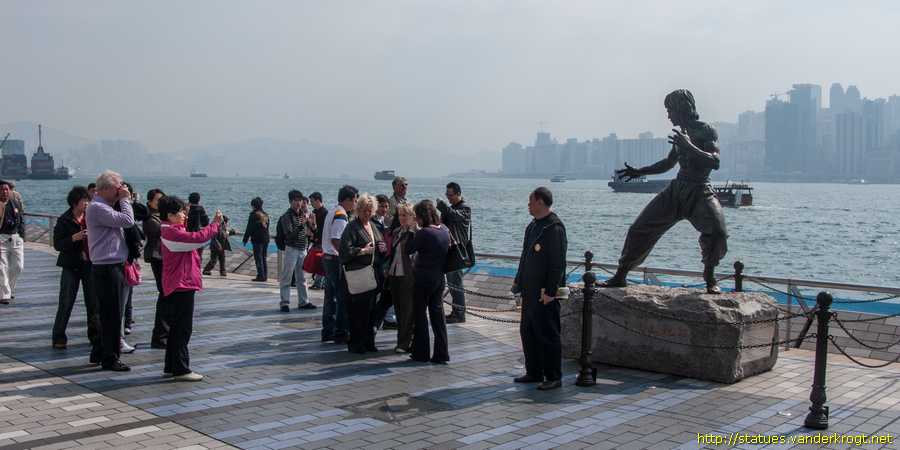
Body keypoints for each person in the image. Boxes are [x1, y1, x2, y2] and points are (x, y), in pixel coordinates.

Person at [603, 89, 728, 294]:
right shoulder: (682, 134)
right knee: (639, 229)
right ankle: (620, 275)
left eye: (670, 110)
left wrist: (688, 146)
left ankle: (710, 277)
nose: (668, 115)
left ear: (682, 108)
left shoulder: (705, 130)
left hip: (699, 191)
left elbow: (715, 161)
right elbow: (668, 163)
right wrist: (639, 171)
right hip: (677, 189)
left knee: (718, 232)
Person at [158, 195, 222, 382]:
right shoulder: (171, 232)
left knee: (177, 327)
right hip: (180, 285)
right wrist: (215, 224)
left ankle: (171, 365)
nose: (184, 215)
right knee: (182, 328)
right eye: (181, 212)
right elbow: (198, 239)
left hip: (181, 283)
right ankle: (181, 369)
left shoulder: (172, 230)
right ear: (170, 215)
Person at [511, 187, 568, 391]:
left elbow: (557, 264)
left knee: (548, 334)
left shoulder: (554, 228)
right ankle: (533, 371)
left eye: (531, 201)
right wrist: (518, 281)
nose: (528, 205)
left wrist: (551, 291)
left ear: (541, 202)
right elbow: (525, 256)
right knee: (528, 331)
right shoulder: (533, 226)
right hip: (529, 290)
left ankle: (553, 376)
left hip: (545, 293)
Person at [86, 170, 134, 371]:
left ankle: (99, 352)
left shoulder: (102, 206)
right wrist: (125, 200)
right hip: (108, 266)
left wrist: (122, 199)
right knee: (113, 314)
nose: (121, 190)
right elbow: (128, 221)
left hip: (108, 265)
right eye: (118, 187)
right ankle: (111, 357)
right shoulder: (98, 207)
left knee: (106, 313)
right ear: (105, 188)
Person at [51, 186, 99, 355]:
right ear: (74, 203)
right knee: (66, 302)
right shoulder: (64, 220)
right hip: (71, 266)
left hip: (89, 265)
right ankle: (59, 337)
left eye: (88, 200)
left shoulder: (91, 217)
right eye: (83, 201)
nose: (87, 203)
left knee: (93, 302)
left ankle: (95, 337)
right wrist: (74, 238)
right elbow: (58, 244)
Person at [339, 194, 386, 353]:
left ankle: (368, 341)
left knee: (371, 311)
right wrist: (362, 250)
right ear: (358, 210)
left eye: (369, 210)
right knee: (357, 311)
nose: (367, 213)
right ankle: (356, 343)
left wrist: (382, 249)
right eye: (364, 210)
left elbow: (380, 245)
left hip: (373, 275)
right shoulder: (352, 227)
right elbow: (344, 251)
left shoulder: (374, 226)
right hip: (358, 275)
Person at [407, 200, 450, 364]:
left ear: (422, 216)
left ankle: (421, 353)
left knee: (420, 316)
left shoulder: (424, 233)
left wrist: (412, 231)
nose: (416, 220)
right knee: (438, 317)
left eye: (417, 217)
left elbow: (409, 249)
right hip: (439, 278)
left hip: (422, 278)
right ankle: (441, 353)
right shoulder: (445, 230)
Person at [320, 185, 357, 344]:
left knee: (329, 297)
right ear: (347, 199)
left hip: (327, 258)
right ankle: (340, 332)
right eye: (355, 200)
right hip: (335, 259)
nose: (355, 203)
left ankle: (327, 330)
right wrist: (346, 256)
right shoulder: (341, 215)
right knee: (341, 297)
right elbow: (337, 239)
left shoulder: (332, 211)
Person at [437, 182, 473, 323]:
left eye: (450, 195)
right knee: (452, 283)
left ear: (458, 194)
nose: (448, 197)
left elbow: (456, 216)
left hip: (458, 251)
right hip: (449, 250)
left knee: (456, 283)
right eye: (447, 195)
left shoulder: (465, 208)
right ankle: (455, 311)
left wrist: (444, 208)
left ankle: (459, 313)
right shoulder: (450, 209)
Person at [275, 190, 316, 312]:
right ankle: (284, 302)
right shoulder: (286, 216)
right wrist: (300, 225)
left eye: (300, 200)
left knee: (302, 277)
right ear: (290, 201)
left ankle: (303, 301)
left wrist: (311, 223)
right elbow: (289, 235)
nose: (299, 203)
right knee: (287, 276)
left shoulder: (303, 215)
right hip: (291, 248)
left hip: (302, 248)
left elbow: (312, 231)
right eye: (296, 200)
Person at [387, 202, 417, 353]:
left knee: (407, 309)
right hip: (394, 273)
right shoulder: (397, 231)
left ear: (413, 216)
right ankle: (401, 340)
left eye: (405, 215)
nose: (402, 218)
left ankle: (405, 342)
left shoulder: (414, 233)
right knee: (398, 309)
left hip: (407, 274)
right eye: (400, 215)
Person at [144, 188, 169, 349]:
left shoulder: (163, 216)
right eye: (157, 200)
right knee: (165, 294)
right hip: (157, 257)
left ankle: (163, 333)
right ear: (150, 202)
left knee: (166, 295)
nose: (160, 203)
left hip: (164, 257)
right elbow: (161, 232)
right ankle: (160, 335)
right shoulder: (150, 218)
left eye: (162, 200)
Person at [370, 194, 397, 330]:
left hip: (384, 263)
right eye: (381, 206)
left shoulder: (385, 222)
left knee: (382, 295)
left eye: (386, 206)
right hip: (376, 264)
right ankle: (374, 322)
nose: (384, 209)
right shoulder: (373, 222)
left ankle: (381, 321)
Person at [0, 180, 25, 305]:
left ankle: (9, 289)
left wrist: (22, 236)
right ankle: (4, 294)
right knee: (2, 267)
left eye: (6, 189)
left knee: (18, 266)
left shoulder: (15, 203)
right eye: (2, 189)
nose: (5, 191)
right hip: (1, 237)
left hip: (15, 237)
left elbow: (21, 219)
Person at [243, 197, 270, 282]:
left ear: (254, 205)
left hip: (257, 239)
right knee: (264, 257)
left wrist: (245, 239)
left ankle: (260, 275)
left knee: (258, 258)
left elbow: (249, 228)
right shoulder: (266, 214)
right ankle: (265, 275)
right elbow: (267, 227)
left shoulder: (253, 215)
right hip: (266, 238)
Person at [309, 192, 327, 290]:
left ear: (317, 200)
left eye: (312, 201)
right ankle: (319, 282)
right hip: (317, 241)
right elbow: (314, 228)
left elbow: (322, 229)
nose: (311, 204)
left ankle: (319, 283)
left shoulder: (324, 213)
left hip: (321, 241)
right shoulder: (315, 212)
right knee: (317, 262)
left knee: (320, 263)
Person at [187, 192, 209, 261]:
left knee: (187, 255)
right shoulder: (200, 209)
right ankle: (196, 270)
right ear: (198, 200)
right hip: (197, 235)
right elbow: (206, 222)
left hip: (186, 234)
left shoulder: (185, 208)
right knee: (198, 255)